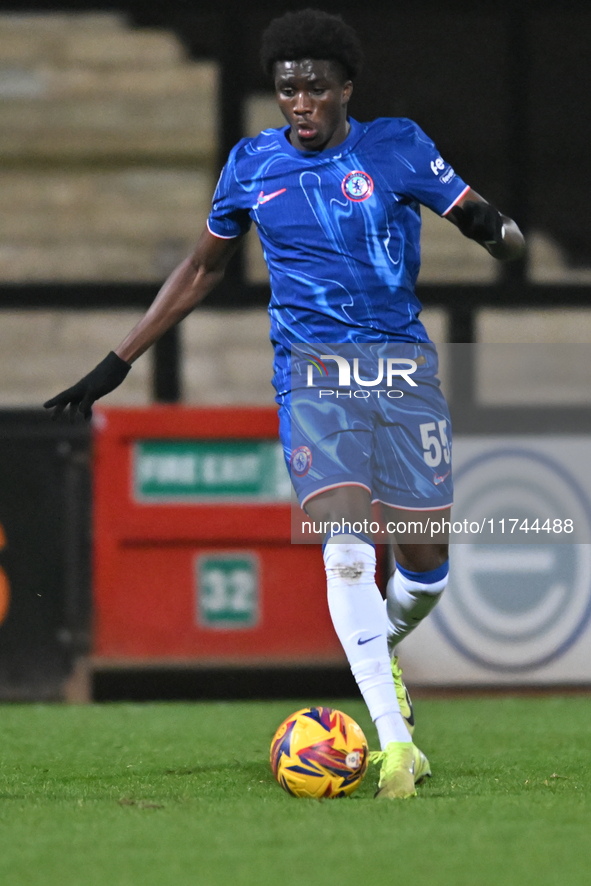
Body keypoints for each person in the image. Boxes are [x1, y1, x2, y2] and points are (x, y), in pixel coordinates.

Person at [44, 9, 525, 798]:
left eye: (313, 89)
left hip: (400, 370)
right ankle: (394, 742)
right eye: (285, 89)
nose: (298, 103)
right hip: (312, 372)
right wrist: (117, 359)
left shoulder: (396, 145)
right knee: (341, 543)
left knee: (426, 569)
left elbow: (479, 219)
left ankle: (380, 652)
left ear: (345, 90)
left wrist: (495, 233)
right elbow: (202, 268)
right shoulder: (252, 165)